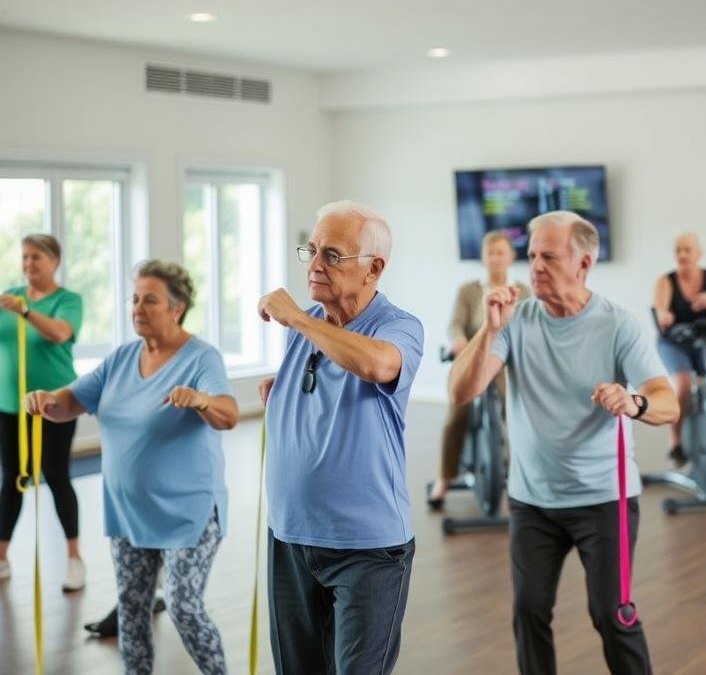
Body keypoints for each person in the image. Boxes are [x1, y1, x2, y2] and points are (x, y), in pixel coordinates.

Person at [449, 211, 679, 675]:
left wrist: (632, 402)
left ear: (584, 263)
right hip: (533, 499)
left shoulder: (618, 324)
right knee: (528, 611)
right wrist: (491, 329)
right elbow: (460, 391)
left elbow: (667, 402)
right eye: (531, 255)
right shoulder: (515, 320)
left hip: (604, 499)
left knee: (612, 615)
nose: (534, 266)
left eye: (548, 257)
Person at [24, 260, 237, 675]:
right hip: (127, 511)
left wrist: (199, 400)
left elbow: (228, 414)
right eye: (134, 298)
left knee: (183, 606)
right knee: (131, 610)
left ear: (177, 308)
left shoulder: (201, 358)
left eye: (150, 300)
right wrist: (48, 399)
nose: (138, 307)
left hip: (188, 513)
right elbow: (70, 402)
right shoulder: (121, 358)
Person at [257, 200, 423, 675]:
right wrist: (283, 387)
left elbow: (377, 364)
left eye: (332, 255)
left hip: (367, 549)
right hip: (290, 536)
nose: (314, 265)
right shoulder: (303, 330)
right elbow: (325, 376)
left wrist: (297, 319)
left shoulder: (399, 326)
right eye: (311, 250)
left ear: (374, 269)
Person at [0, 234, 85, 590]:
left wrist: (25, 311)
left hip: (54, 404)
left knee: (56, 474)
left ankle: (74, 559)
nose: (29, 264)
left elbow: (59, 333)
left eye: (37, 257)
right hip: (9, 404)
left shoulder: (67, 300)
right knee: (12, 480)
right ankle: (1, 557)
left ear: (54, 261)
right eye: (25, 257)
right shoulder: (10, 296)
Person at [428, 230, 531, 509]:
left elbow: (530, 327)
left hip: (505, 364)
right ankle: (444, 478)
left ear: (511, 256)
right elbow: (455, 324)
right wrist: (459, 340)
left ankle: (527, 478)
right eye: (490, 252)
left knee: (518, 414)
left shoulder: (524, 290)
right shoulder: (468, 290)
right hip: (474, 358)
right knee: (456, 416)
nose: (495, 258)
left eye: (500, 252)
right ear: (483, 257)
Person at [652, 232, 706, 465]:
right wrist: (664, 315)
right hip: (676, 343)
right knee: (683, 385)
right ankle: (675, 443)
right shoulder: (666, 281)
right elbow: (659, 308)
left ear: (698, 253)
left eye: (687, 249)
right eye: (678, 250)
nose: (682, 254)